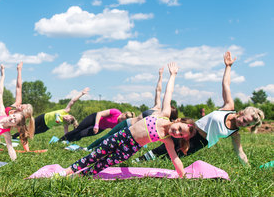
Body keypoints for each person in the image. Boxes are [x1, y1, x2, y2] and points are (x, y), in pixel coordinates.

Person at [57, 63, 194, 178]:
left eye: (181, 135)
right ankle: (68, 171)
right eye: (180, 129)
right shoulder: (164, 114)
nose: (177, 132)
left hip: (131, 147)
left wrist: (182, 175)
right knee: (96, 154)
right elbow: (168, 93)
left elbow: (175, 158)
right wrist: (173, 75)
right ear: (178, 121)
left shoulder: (167, 139)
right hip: (122, 135)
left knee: (104, 163)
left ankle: (80, 176)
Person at [139, 52, 264, 165]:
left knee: (171, 159)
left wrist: (248, 167)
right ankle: (138, 161)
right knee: (162, 148)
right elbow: (226, 84)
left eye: (247, 124)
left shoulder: (235, 133)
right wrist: (228, 67)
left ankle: (154, 170)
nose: (243, 123)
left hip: (199, 143)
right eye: (245, 119)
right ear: (241, 113)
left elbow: (240, 152)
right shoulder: (229, 107)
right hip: (190, 130)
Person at [86, 66, 178, 150]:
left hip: (133, 132)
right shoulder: (157, 107)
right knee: (108, 136)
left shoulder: (161, 119)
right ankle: (89, 148)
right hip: (128, 123)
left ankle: (99, 150)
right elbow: (158, 91)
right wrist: (160, 75)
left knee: (116, 144)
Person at [59, 107, 134, 143]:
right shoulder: (115, 112)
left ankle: (67, 142)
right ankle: (60, 140)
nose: (121, 121)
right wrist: (96, 125)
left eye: (123, 121)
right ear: (123, 114)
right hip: (94, 119)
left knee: (81, 134)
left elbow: (113, 132)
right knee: (78, 130)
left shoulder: (120, 124)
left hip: (100, 128)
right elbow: (99, 113)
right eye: (122, 118)